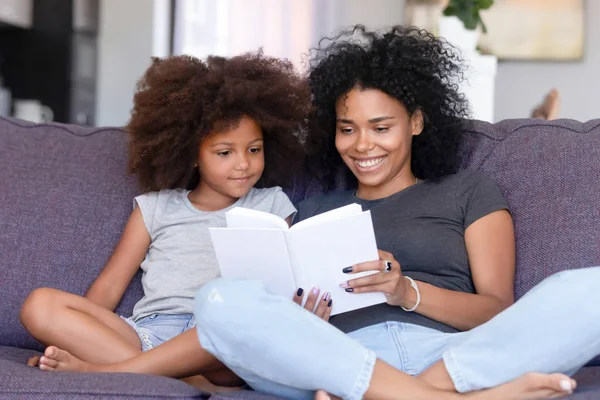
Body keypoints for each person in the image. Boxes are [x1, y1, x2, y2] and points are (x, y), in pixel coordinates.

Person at [25, 26, 598, 400]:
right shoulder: (315, 205)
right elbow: (273, 318)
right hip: (333, 355)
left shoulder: (471, 190)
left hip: (445, 350)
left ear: (417, 122)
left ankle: (423, 392)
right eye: (347, 129)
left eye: (381, 127)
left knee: (589, 291)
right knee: (220, 299)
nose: (362, 144)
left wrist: (407, 293)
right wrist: (304, 316)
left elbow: (497, 312)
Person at [19, 52, 309, 391]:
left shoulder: (272, 203)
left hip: (220, 338)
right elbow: (110, 287)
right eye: (225, 152)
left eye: (254, 150)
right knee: (39, 304)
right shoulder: (155, 208)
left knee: (241, 323)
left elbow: (284, 282)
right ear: (192, 154)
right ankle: (181, 378)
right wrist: (70, 338)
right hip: (146, 333)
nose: (243, 164)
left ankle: (110, 369)